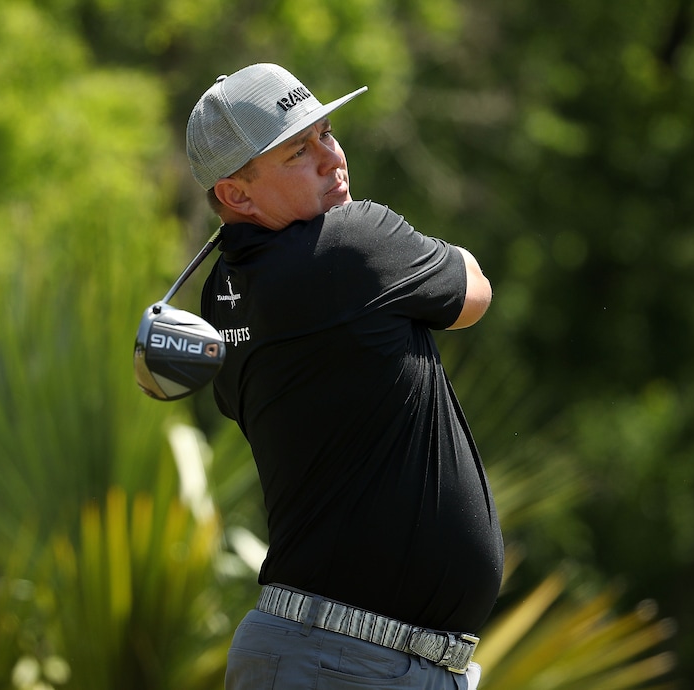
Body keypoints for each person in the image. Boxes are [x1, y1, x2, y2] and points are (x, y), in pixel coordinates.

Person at [187, 63, 504, 690]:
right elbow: (474, 291)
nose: (334, 158)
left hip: (329, 656)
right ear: (237, 196)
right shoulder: (354, 246)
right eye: (298, 151)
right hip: (345, 663)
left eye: (326, 132)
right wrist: (408, 255)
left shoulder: (221, 297)